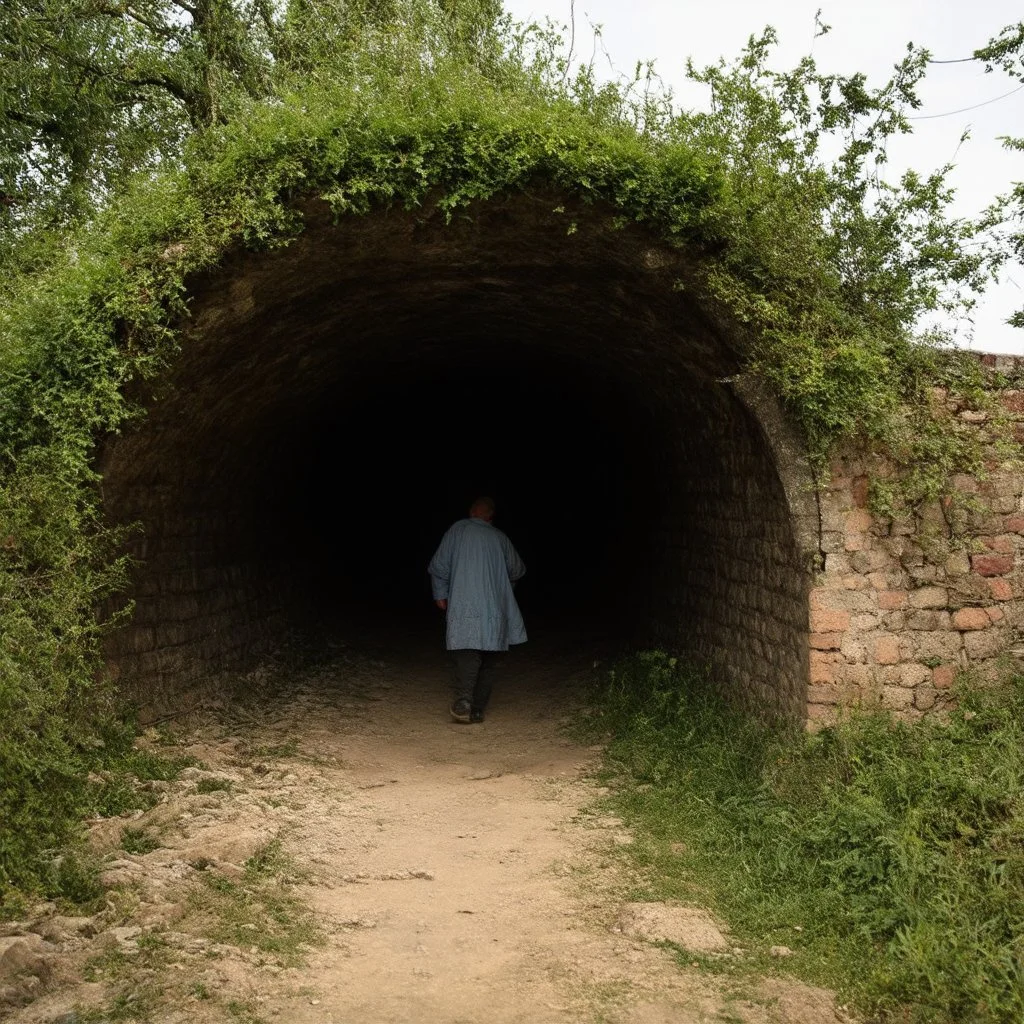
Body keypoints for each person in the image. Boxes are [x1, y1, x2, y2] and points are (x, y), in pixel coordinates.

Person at [427, 497, 527, 723]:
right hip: (494, 608)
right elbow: (517, 570)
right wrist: (503, 588)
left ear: (471, 512)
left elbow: (439, 566)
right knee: (490, 658)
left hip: (465, 603)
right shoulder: (500, 537)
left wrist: (440, 594)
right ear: (490, 517)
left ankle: (464, 701)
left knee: (468, 652)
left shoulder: (458, 530)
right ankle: (478, 708)